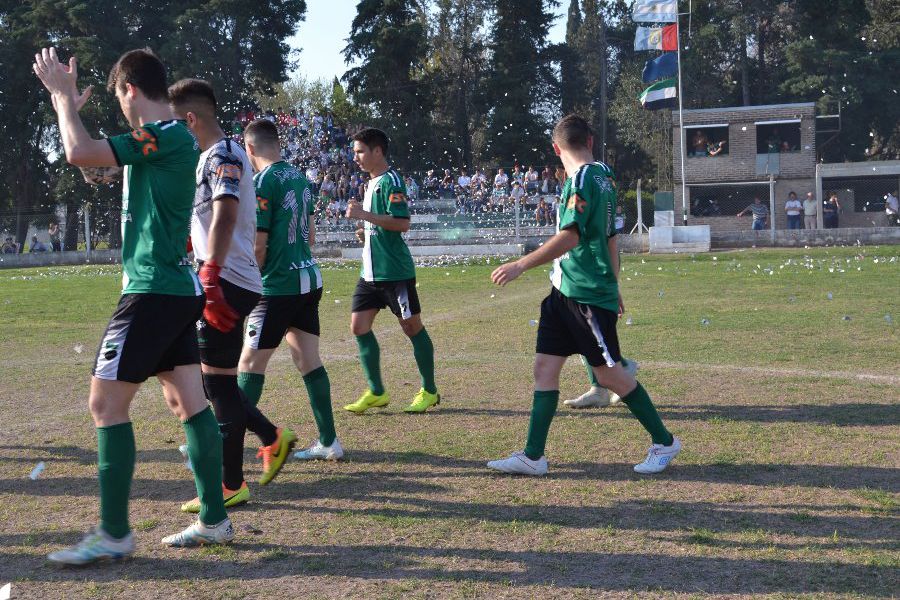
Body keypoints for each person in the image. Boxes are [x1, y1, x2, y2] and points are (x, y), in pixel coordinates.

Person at [36, 47, 233, 565]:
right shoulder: (168, 140)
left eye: (119, 97)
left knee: (106, 406)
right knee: (187, 401)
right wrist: (90, 152)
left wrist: (62, 99)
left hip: (151, 291)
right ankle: (214, 518)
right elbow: (100, 166)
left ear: (128, 89)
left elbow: (80, 151)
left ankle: (115, 533)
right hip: (172, 289)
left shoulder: (163, 134)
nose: (121, 109)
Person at [487, 114, 680, 476]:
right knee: (545, 368)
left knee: (609, 376)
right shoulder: (604, 177)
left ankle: (665, 442)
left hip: (586, 297)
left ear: (556, 148)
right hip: (565, 292)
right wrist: (615, 281)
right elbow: (610, 238)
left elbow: (571, 236)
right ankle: (533, 456)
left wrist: (520, 265)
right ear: (590, 140)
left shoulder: (581, 180)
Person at [169, 80, 296, 514]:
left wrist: (210, 273)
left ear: (190, 119)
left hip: (227, 280)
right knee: (216, 380)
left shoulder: (222, 153)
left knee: (216, 385)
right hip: (228, 276)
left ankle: (232, 483)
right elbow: (210, 219)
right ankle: (270, 439)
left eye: (174, 123)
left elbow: (224, 212)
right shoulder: (214, 154)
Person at [239, 118, 344, 462]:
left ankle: (216, 443)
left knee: (249, 364)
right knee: (308, 359)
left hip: (276, 286)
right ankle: (329, 441)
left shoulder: (262, 181)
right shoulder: (301, 178)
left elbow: (258, 246)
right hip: (307, 279)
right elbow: (310, 237)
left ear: (250, 148)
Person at [343, 128, 440, 414]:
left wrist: (364, 215)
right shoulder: (371, 183)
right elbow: (383, 224)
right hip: (370, 273)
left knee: (411, 327)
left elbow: (402, 223)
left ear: (377, 151)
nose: (355, 157)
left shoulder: (391, 181)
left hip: (394, 273)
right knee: (358, 327)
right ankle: (376, 391)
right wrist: (366, 230)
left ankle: (430, 391)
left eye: (360, 151)